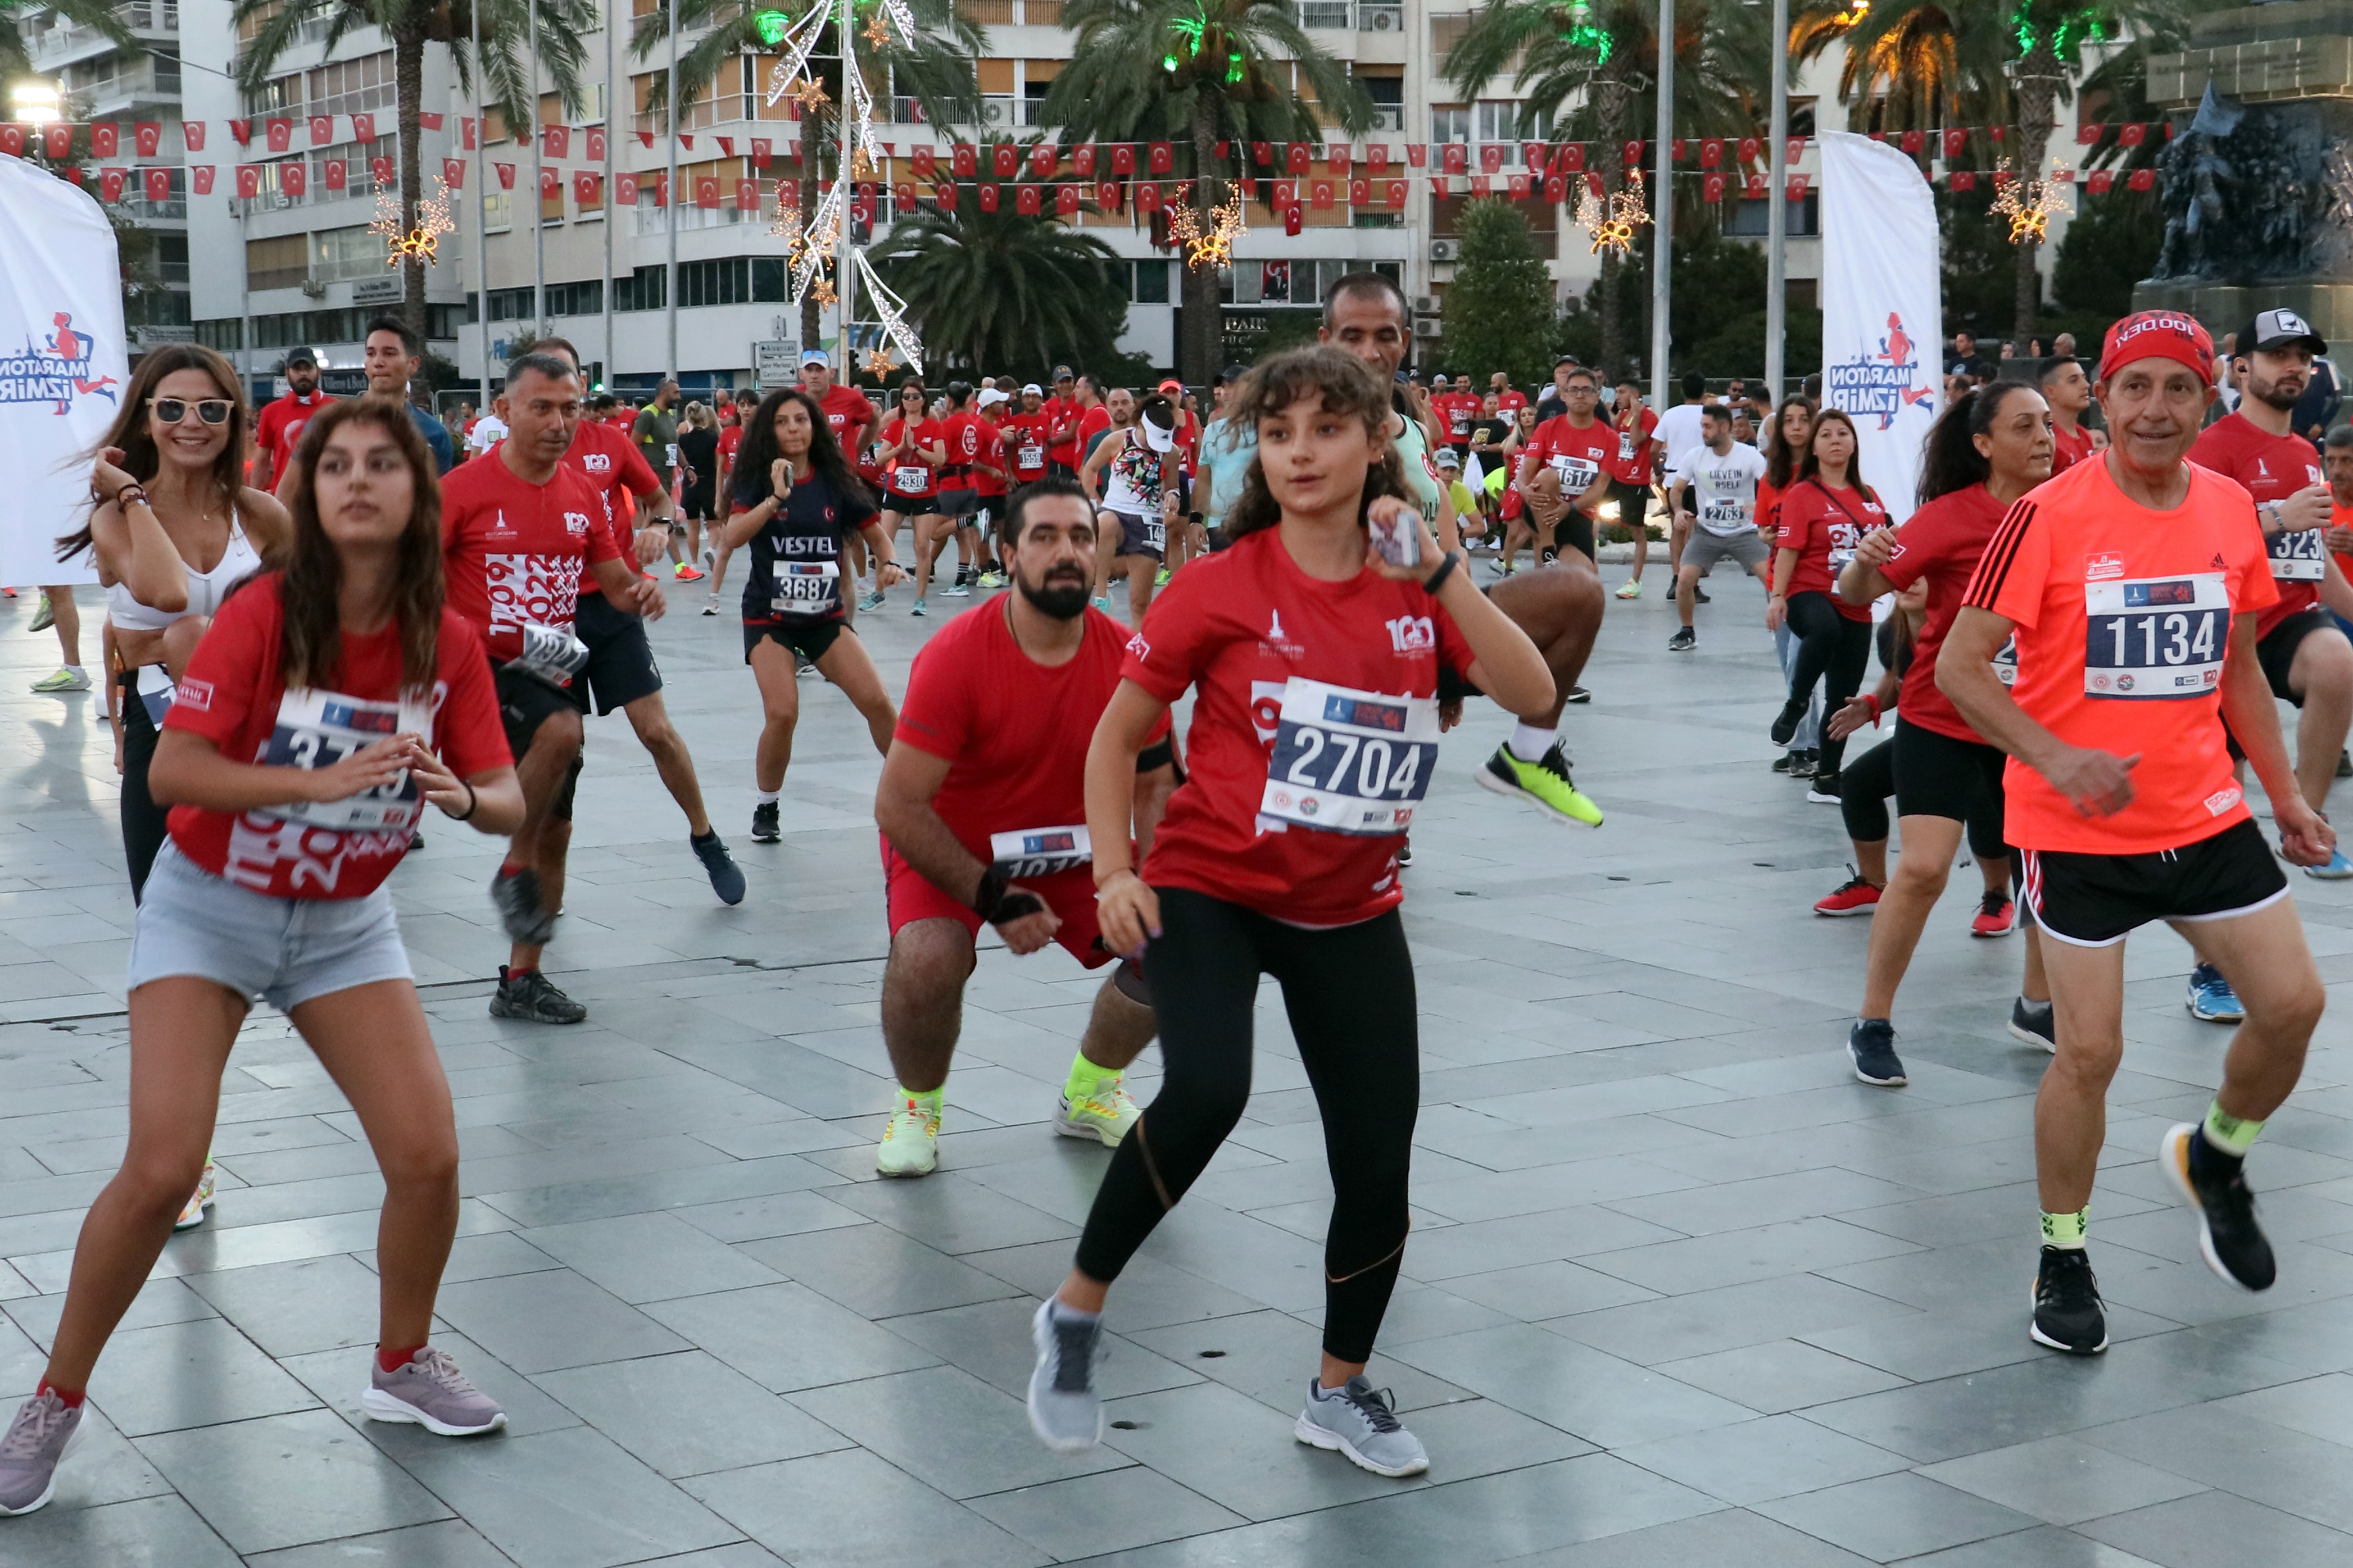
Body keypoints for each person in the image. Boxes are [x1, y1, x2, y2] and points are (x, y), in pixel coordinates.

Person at [1024, 346, 1553, 1477]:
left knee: (1374, 1161)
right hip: (1212, 887)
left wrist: (1444, 574)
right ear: (1256, 453)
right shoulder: (1220, 581)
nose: (1300, 452)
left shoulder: (1417, 577)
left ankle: (1337, 1388)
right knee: (1210, 1087)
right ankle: (1074, 1309)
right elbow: (1117, 736)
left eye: (1325, 429)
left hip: (1352, 907)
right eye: (1278, 433)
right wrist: (1117, 872)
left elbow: (1531, 694)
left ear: (1376, 443)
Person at [0, 398, 528, 1519]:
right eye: (334, 464)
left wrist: (465, 793)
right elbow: (171, 775)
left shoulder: (449, 639)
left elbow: (509, 797)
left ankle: (401, 1363)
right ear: (310, 491)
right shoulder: (261, 616)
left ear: (414, 493)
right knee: (160, 1169)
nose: (357, 481)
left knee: (428, 1156)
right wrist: (313, 782)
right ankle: (53, 1398)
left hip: (345, 924)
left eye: (382, 464)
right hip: (211, 909)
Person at [1937, 310, 2332, 1356]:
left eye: (2178, 390)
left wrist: (2287, 795)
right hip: (2072, 830)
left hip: (2201, 815)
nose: (2154, 410)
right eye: (2134, 389)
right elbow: (1959, 669)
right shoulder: (2047, 517)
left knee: (2293, 1008)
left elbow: (2238, 664)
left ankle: (2215, 1154)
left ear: (2208, 400)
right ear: (2101, 401)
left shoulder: (2225, 508)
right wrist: (2058, 756)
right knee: (2091, 1052)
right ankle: (2061, 1253)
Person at [871, 479, 1177, 1175]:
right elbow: (898, 806)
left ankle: (1091, 1091)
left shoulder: (1129, 656)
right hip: (956, 848)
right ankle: (917, 1103)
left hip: (1077, 848)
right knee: (926, 957)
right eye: (1043, 537)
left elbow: (1157, 782)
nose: (1065, 552)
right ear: (1006, 553)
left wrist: (1157, 886)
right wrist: (992, 897)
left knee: (1179, 940)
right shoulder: (955, 656)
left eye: (1079, 536)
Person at [1825, 382, 2057, 1088]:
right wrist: (1866, 558)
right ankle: (1871, 1021)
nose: (2044, 437)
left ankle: (2036, 1006)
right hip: (1942, 718)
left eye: (2047, 424)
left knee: (2044, 876)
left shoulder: (2070, 509)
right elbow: (1854, 594)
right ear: (1983, 444)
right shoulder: (1948, 517)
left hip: (2030, 726)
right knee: (1923, 869)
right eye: (2025, 427)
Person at [1318, 272, 1604, 827]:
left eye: (1384, 335)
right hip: (1354, 641)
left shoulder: (1409, 429)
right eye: (1352, 335)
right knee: (1362, 834)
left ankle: (1527, 756)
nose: (1370, 350)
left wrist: (1468, 627)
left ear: (1404, 339)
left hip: (1428, 620)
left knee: (1579, 593)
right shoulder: (1313, 431)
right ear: (1325, 338)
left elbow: (1447, 538)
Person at [443, 353, 647, 1024]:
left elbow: (613, 583)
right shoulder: (463, 491)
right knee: (564, 730)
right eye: (543, 407)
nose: (560, 423)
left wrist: (639, 590)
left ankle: (521, 980)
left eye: (571, 408)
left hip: (552, 666)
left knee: (558, 831)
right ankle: (510, 863)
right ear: (503, 411)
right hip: (480, 671)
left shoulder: (582, 494)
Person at [510, 337, 743, 918]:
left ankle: (704, 836)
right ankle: (540, 877)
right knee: (563, 749)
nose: (559, 403)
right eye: (545, 384)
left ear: (580, 385)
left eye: (568, 379)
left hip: (612, 606)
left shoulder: (609, 441)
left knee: (656, 731)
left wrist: (660, 528)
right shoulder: (512, 457)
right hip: (548, 620)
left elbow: (659, 497)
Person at [58, 344, 291, 905]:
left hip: (253, 725)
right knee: (166, 913)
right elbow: (166, 592)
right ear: (147, 417)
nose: (192, 423)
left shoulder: (262, 513)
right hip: (162, 728)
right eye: (172, 409)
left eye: (212, 410)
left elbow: (308, 617)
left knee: (252, 920)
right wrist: (133, 494)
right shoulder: (116, 516)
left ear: (234, 419)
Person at [2188, 311, 2353, 902]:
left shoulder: (2303, 452)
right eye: (2278, 355)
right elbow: (2192, 542)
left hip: (2285, 617)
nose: (2294, 367)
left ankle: (2303, 822)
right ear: (2239, 368)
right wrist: (2275, 517)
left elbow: (2311, 559)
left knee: (2337, 660)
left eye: (2303, 358)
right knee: (2221, 804)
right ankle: (2212, 964)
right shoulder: (2211, 446)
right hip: (2224, 635)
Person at [723, 387, 905, 845]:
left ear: (814, 427)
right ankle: (767, 805)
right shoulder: (756, 478)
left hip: (824, 615)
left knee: (878, 701)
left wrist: (889, 560)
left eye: (800, 421)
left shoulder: (834, 479)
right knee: (783, 712)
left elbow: (875, 533)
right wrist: (774, 499)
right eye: (782, 422)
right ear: (771, 430)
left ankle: (913, 789)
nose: (792, 430)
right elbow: (732, 535)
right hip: (769, 617)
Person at [1769, 407, 1887, 804]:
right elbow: (1787, 550)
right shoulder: (1802, 494)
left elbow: (1889, 549)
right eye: (1826, 435)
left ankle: (1826, 776)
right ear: (1814, 448)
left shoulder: (1870, 498)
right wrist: (1776, 597)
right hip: (1808, 592)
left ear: (1854, 443)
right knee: (1825, 630)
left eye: (1843, 433)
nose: (1835, 440)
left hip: (1856, 602)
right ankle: (1797, 702)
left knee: (1843, 695)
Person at [1663, 404, 1769, 652]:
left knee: (1772, 579)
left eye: (1708, 426)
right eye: (1702, 426)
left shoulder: (1749, 455)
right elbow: (1677, 490)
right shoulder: (1695, 456)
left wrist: (1759, 503)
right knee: (1685, 578)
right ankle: (1687, 632)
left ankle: (1781, 628)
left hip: (1745, 531)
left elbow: (1769, 484)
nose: (1704, 431)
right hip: (1707, 531)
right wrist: (1679, 512)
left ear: (1724, 427)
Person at [1081, 393, 1180, 624]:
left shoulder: (1171, 453)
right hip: (1115, 509)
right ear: (1141, 425)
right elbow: (1090, 469)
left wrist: (1173, 496)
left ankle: (1138, 652)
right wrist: (1093, 502)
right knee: (1106, 523)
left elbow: (1173, 486)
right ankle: (1102, 593)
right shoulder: (1117, 440)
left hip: (1149, 520)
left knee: (1140, 603)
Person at [1761, 394, 1820, 775]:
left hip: (1812, 585)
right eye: (1789, 421)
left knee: (1802, 662)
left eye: (1804, 419)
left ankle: (1801, 746)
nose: (1797, 427)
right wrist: (1772, 537)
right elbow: (1763, 526)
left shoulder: (1824, 475)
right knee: (1790, 665)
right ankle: (1810, 741)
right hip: (1777, 580)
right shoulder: (1772, 475)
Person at [1515, 366, 1616, 566]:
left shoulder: (1610, 438)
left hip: (1577, 512)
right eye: (1574, 390)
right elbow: (1525, 472)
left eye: (1587, 390)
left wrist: (1570, 508)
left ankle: (1549, 577)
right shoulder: (1547, 428)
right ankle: (1548, 552)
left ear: (1597, 397)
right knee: (1547, 475)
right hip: (1543, 506)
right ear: (1564, 396)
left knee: (1587, 582)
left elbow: (1600, 487)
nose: (1580, 395)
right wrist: (1524, 491)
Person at [869, 379, 947, 615]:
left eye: (916, 396)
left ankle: (920, 599)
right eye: (906, 397)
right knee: (883, 541)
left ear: (924, 400)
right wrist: (901, 446)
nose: (911, 400)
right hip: (897, 490)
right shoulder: (895, 427)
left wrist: (916, 448)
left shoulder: (934, 427)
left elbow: (941, 460)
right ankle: (878, 592)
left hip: (925, 492)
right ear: (901, 401)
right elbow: (880, 460)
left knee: (922, 546)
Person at [360, 317, 455, 474]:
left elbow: (439, 495)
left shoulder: (434, 434)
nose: (378, 362)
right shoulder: (330, 427)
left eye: (389, 353)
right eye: (371, 354)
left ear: (413, 364)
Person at [921, 381, 986, 603]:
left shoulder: (948, 425)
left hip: (951, 484)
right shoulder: (972, 423)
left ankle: (971, 520)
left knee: (935, 532)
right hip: (970, 481)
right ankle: (959, 582)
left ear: (949, 400)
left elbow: (943, 457)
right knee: (962, 537)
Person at [252, 346, 334, 494]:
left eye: (308, 368)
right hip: (285, 500)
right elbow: (262, 460)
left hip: (327, 497)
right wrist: (251, 502)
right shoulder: (271, 412)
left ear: (319, 372)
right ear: (287, 374)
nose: (303, 374)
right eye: (297, 369)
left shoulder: (336, 409)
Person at [1608, 378, 1660, 598]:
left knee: (1637, 530)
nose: (1617, 397)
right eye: (1616, 392)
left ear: (1634, 395)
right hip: (1616, 475)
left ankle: (1635, 580)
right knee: (1589, 507)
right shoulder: (1623, 415)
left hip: (1636, 480)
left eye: (1621, 392)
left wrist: (1637, 415)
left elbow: (1637, 440)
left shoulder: (1648, 416)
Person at [677, 400, 721, 571]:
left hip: (690, 485)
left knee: (693, 526)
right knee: (714, 524)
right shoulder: (713, 438)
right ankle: (711, 549)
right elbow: (718, 464)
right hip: (709, 482)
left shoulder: (684, 439)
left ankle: (694, 563)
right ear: (705, 418)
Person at [2040, 354, 2100, 473]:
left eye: (2084, 378)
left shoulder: (2085, 436)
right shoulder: (2046, 439)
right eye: (2073, 380)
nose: (2086, 385)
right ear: (2050, 391)